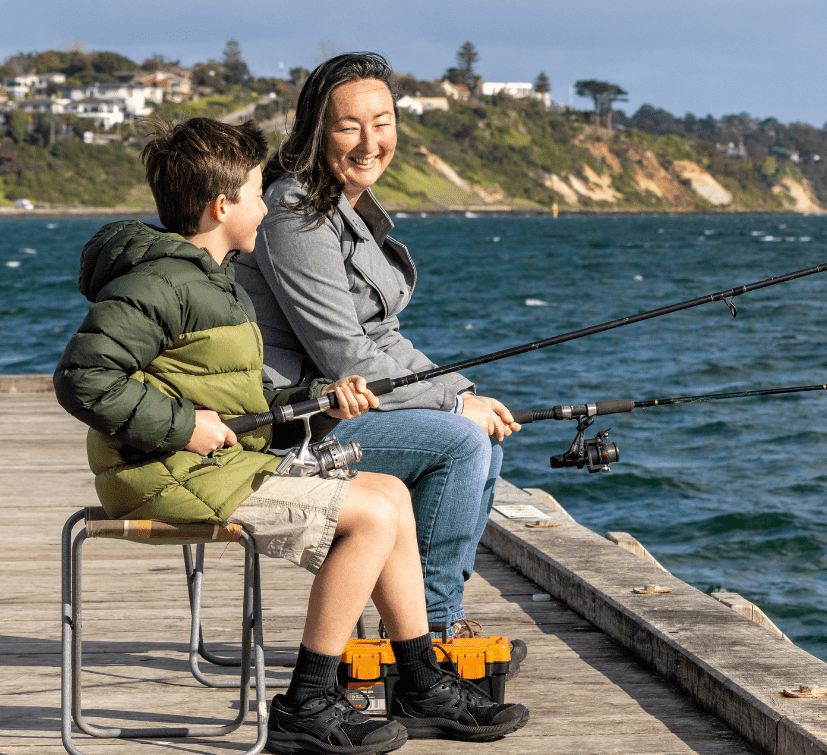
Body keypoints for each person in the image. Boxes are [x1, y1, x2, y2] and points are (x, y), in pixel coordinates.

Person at [54, 117, 528, 754]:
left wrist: (319, 402)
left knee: (387, 495)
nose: (265, 208)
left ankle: (420, 684)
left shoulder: (211, 282)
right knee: (370, 516)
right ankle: (307, 702)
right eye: (256, 194)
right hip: (167, 477)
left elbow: (241, 398)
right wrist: (183, 426)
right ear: (223, 206)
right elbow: (82, 378)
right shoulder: (160, 283)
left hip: (214, 471)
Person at [236, 53, 521, 641]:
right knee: (461, 444)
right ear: (317, 131)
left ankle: (420, 619)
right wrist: (449, 408)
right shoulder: (293, 212)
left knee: (481, 438)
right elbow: (344, 353)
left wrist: (463, 393)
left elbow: (382, 336)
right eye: (349, 126)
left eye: (383, 121)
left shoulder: (344, 205)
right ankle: (432, 633)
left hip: (343, 407)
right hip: (296, 421)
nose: (371, 142)